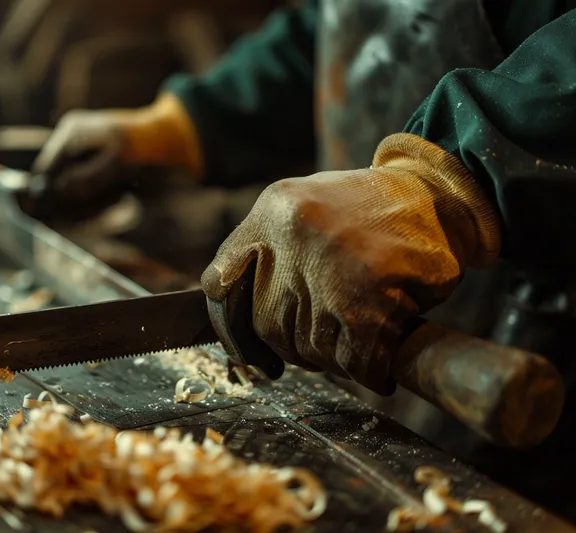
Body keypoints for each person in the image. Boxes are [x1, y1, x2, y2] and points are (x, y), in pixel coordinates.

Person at [36, 0, 576, 520]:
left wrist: (453, 179)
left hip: (533, 337)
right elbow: (365, 25)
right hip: (380, 341)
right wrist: (180, 125)